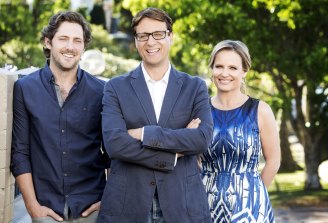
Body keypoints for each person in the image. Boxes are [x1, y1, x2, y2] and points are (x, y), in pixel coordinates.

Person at [98, 7, 213, 223]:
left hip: (182, 204)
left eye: (158, 34)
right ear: (136, 41)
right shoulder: (115, 87)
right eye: (143, 35)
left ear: (170, 36)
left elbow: (201, 139)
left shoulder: (195, 87)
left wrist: (143, 133)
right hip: (128, 205)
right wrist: (172, 154)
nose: (150, 42)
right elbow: (114, 144)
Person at [10, 11, 109, 222]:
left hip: (92, 210)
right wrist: (32, 206)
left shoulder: (102, 91)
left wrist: (108, 199)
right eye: (63, 38)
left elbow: (114, 152)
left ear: (84, 47)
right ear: (48, 42)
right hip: (45, 210)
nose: (70, 47)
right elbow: (20, 153)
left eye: (77, 41)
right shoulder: (25, 89)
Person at [200, 40, 281, 223]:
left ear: (244, 71)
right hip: (205, 204)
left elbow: (274, 160)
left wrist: (255, 195)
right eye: (219, 66)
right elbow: (193, 159)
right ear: (212, 69)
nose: (225, 73)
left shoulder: (260, 110)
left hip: (250, 208)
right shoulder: (199, 111)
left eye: (233, 68)